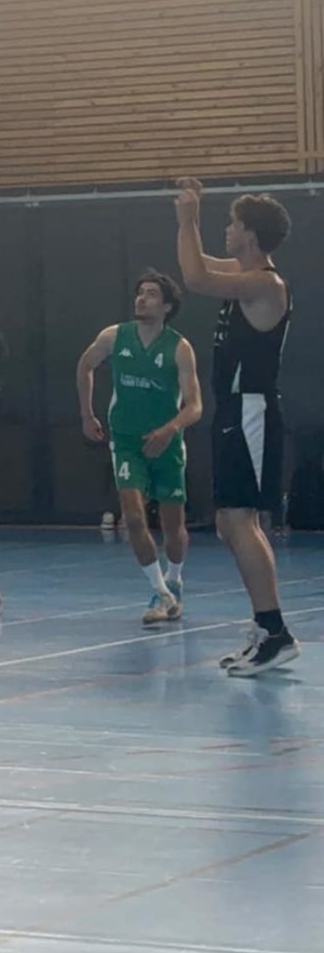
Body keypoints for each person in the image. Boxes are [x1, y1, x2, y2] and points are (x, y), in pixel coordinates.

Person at [175, 178, 297, 676]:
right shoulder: (243, 272)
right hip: (232, 410)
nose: (226, 230)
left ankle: (275, 631)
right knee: (230, 522)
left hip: (251, 410)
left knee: (241, 520)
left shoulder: (265, 283)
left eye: (232, 224)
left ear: (249, 234)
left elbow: (195, 277)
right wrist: (188, 223)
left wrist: (188, 218)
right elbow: (198, 264)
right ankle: (268, 627)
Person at [77, 271, 202, 626]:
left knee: (173, 525)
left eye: (151, 294)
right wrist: (87, 414)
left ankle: (175, 580)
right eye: (140, 292)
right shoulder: (114, 336)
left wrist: (169, 429)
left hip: (166, 443)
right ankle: (160, 593)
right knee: (133, 517)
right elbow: (85, 366)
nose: (142, 299)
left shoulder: (179, 347)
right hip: (127, 441)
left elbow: (195, 406)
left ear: (167, 306)